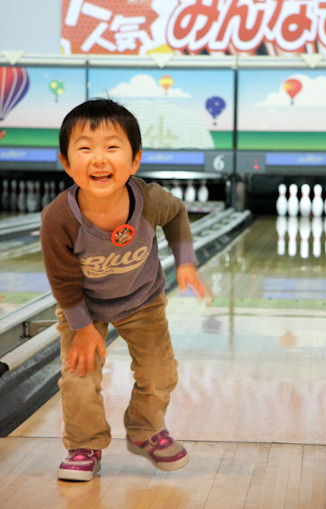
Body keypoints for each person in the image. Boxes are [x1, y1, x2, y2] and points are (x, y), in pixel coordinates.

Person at [41, 98, 206, 482]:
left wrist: (186, 261)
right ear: (66, 162)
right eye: (85, 149)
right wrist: (82, 328)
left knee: (160, 371)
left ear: (135, 161)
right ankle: (84, 445)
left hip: (142, 299)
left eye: (112, 147)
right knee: (78, 376)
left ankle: (145, 429)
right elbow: (62, 280)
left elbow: (178, 214)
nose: (99, 159)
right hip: (82, 304)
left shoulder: (148, 199)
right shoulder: (58, 218)